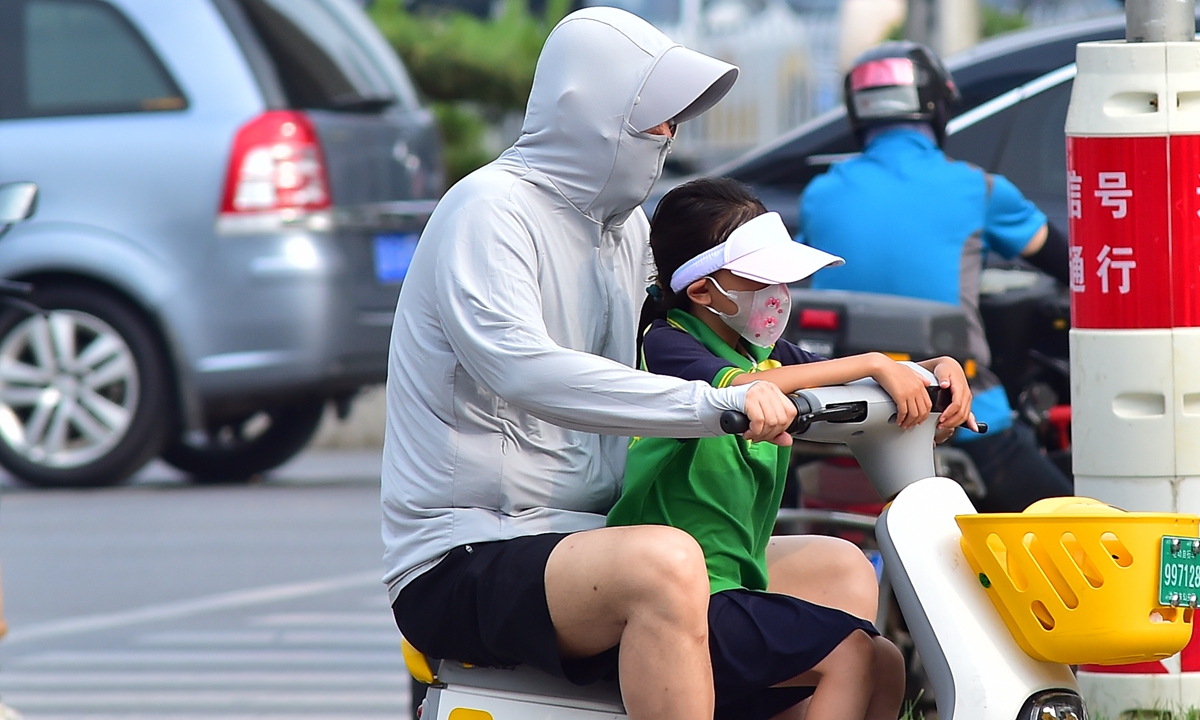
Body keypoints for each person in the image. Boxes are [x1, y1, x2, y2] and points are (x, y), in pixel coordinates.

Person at [382, 9, 881, 720]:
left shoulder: (627, 233)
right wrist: (715, 406)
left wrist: (902, 376)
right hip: (474, 551)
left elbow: (706, 342)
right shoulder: (488, 210)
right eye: (653, 119)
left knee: (837, 570)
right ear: (588, 111)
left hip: (599, 536)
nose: (668, 137)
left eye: (673, 122)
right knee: (667, 560)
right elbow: (523, 369)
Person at [607, 177, 975, 720]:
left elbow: (827, 383)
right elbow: (729, 389)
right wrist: (877, 362)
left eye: (784, 278)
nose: (780, 294)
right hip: (678, 600)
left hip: (737, 586)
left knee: (887, 661)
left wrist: (933, 373)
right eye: (762, 278)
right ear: (703, 292)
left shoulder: (765, 352)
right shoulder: (667, 347)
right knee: (849, 657)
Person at [798, 41, 1073, 513]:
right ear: (939, 107)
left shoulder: (819, 193)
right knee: (1073, 521)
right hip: (955, 418)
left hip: (839, 417)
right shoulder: (978, 188)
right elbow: (1069, 264)